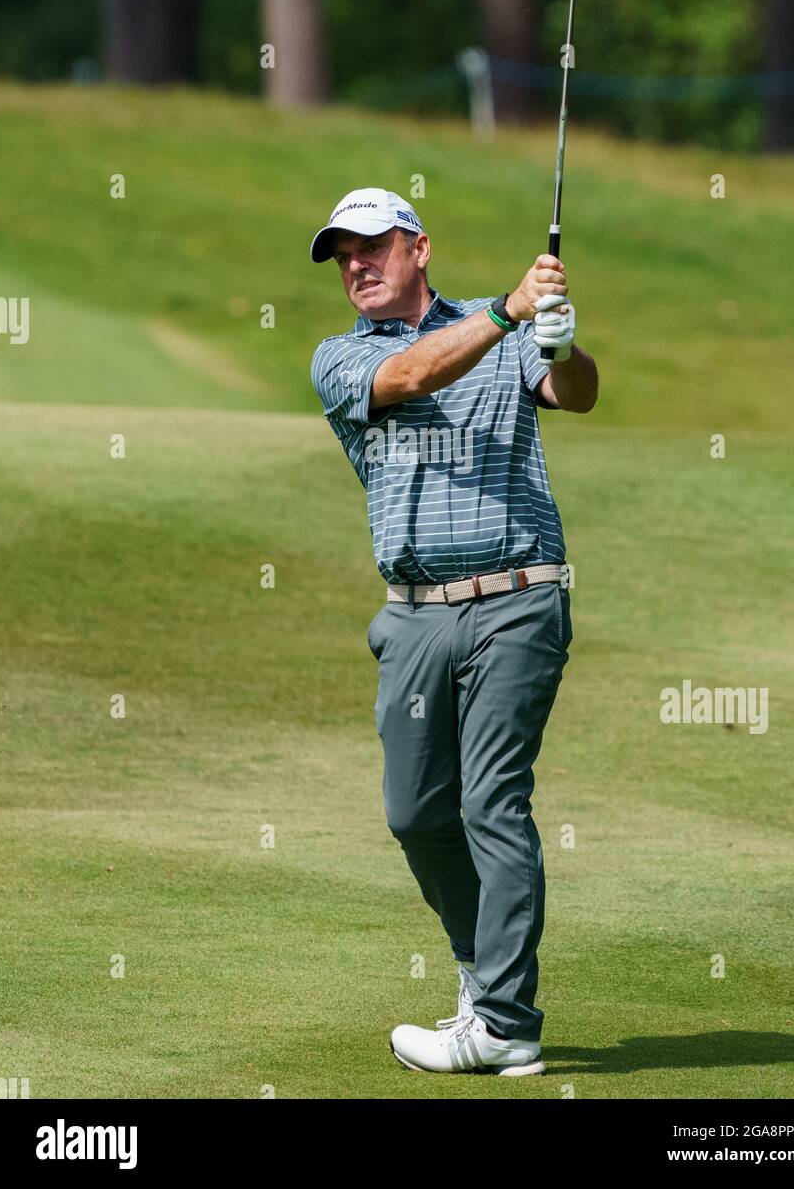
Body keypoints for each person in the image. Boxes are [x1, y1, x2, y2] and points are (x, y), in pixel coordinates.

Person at [310, 187, 598, 1075]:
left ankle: (508, 1022)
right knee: (415, 813)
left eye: (373, 247)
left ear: (419, 247)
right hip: (413, 619)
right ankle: (483, 980)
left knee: (491, 803)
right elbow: (411, 377)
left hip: (517, 597)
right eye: (342, 254)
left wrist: (556, 337)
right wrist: (510, 313)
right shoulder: (341, 359)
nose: (356, 265)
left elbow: (578, 394)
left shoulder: (501, 327)